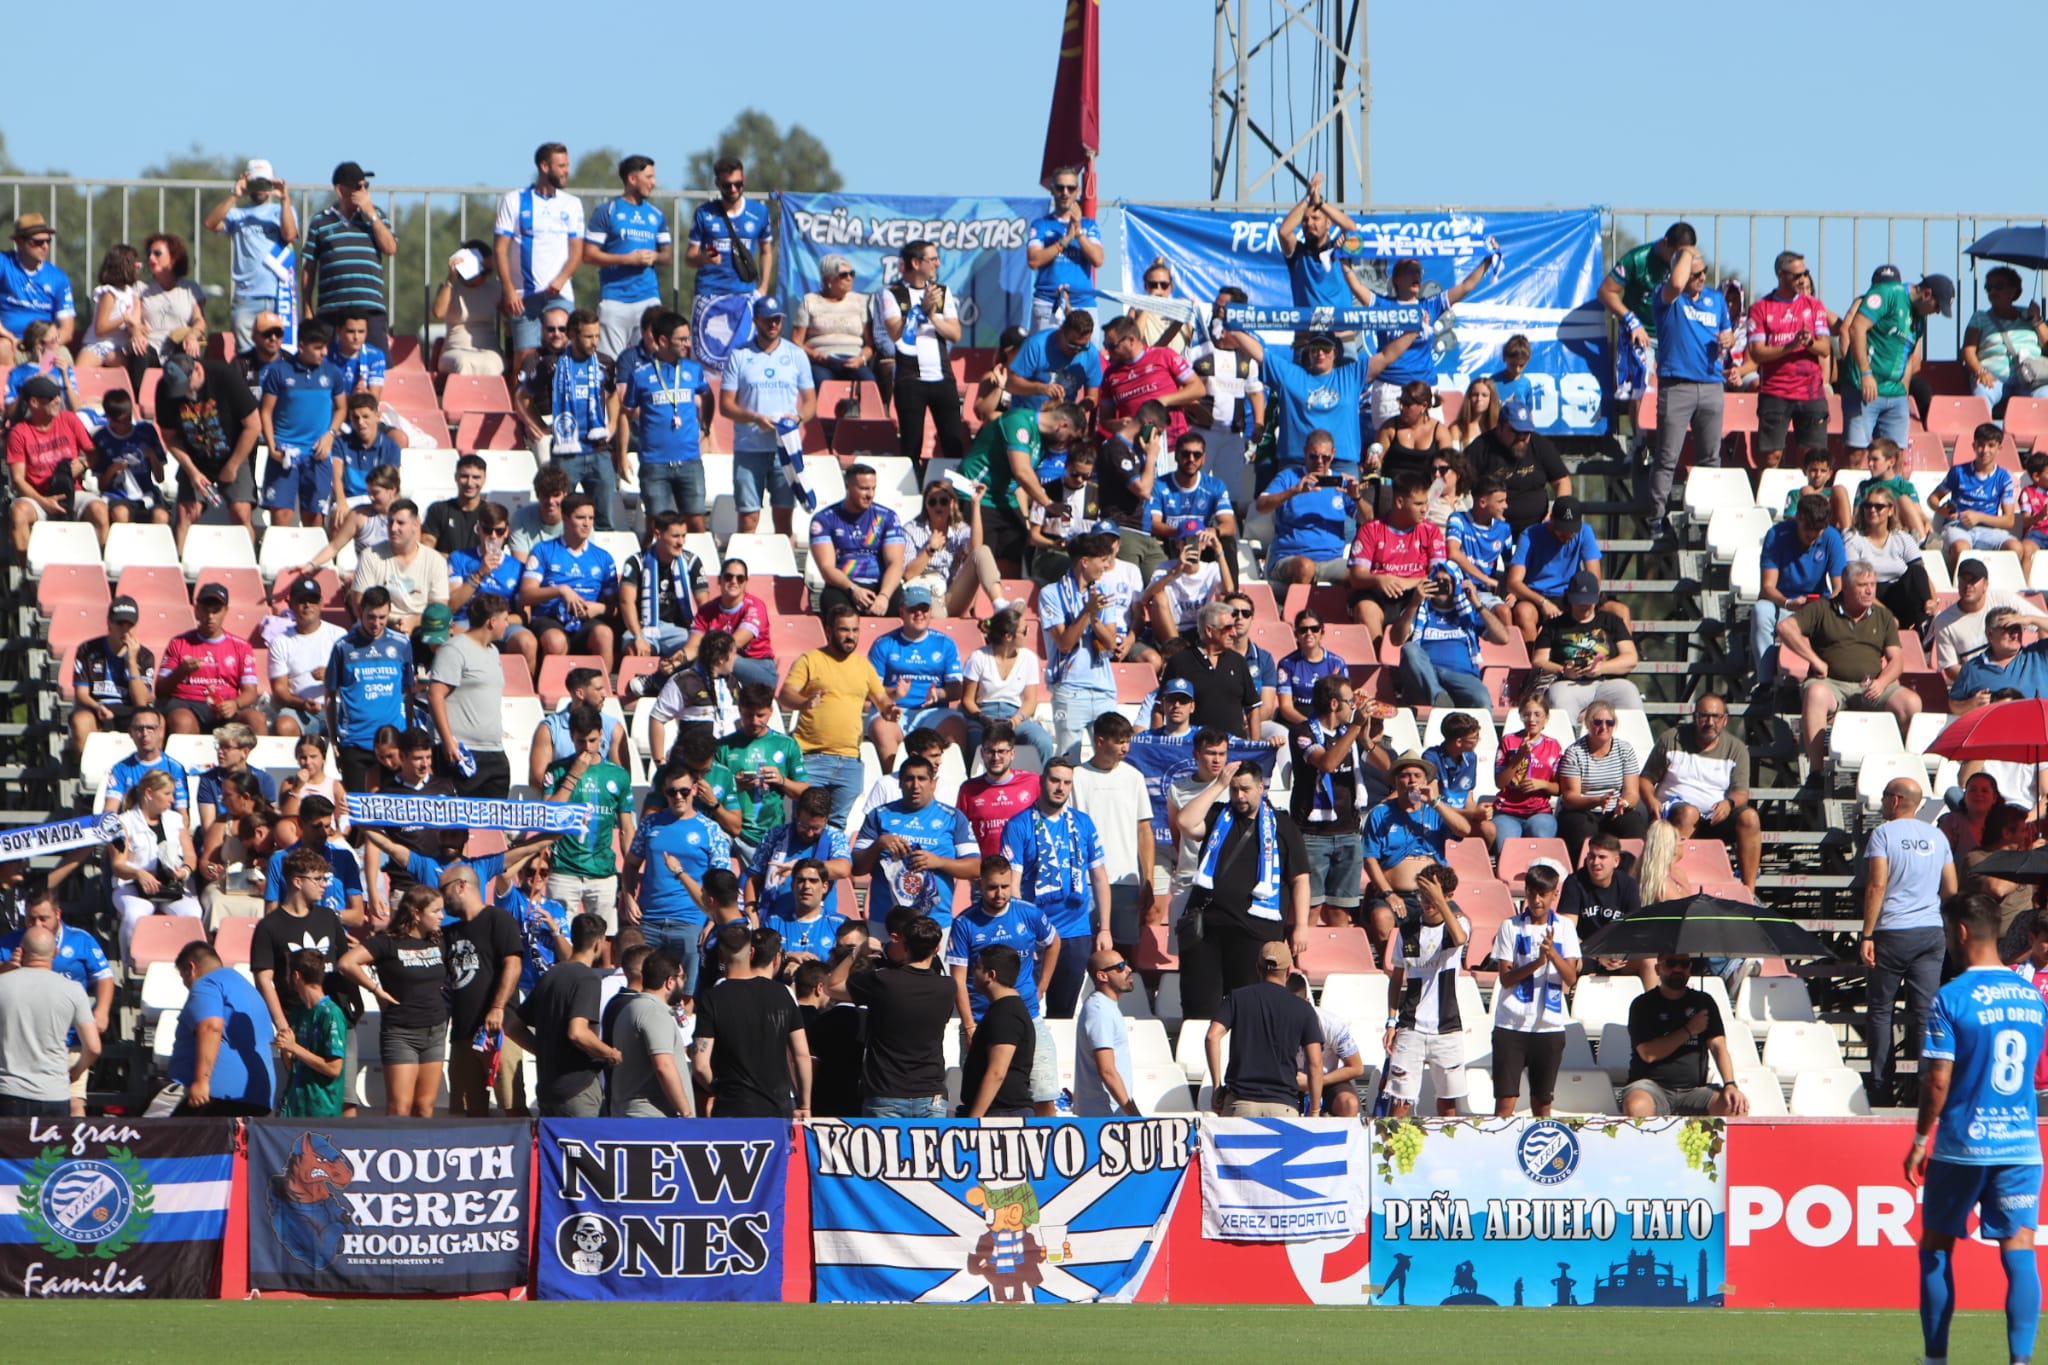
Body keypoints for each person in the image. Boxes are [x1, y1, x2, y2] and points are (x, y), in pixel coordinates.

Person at [1910, 894, 2048, 1365]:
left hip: (1962, 1146)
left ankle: (1936, 1358)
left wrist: (1921, 1138)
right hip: (2021, 1145)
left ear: (1962, 932)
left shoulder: (1951, 996)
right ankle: (2022, 1360)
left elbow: (1938, 1079)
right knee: (2020, 1252)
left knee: (1936, 1248)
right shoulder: (2032, 997)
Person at [1176, 761, 1312, 1019]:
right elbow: (1185, 822)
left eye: (1246, 789)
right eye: (1234, 789)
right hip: (1208, 930)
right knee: (1200, 1006)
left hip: (1256, 931)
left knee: (1249, 1007)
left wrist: (1301, 926)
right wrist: (1218, 785)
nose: (1239, 796)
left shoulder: (1283, 825)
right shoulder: (1218, 815)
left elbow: (1300, 879)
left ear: (1261, 788)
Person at [1862, 776, 1960, 1104]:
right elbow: (1950, 890)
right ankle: (1925, 1088)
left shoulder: (1883, 834)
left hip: (1891, 930)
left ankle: (1880, 1087)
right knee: (1924, 1011)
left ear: (1894, 801)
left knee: (1880, 1009)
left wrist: (1867, 933)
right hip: (1930, 932)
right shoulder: (1937, 836)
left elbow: (1876, 885)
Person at [1777, 562, 1922, 775]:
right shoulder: (1822, 609)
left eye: (1872, 584)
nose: (1870, 590)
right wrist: (1814, 660)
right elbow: (1784, 627)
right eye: (1862, 584)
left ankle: (1900, 769)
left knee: (1911, 702)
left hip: (1873, 685)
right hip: (1832, 684)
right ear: (1845, 586)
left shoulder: (1884, 617)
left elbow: (1897, 660)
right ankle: (1816, 771)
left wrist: (1882, 683)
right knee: (1815, 693)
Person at [945, 856, 1059, 1115]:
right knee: (979, 1093)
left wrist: (1042, 986)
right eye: (992, 887)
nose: (999, 894)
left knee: (1043, 1094)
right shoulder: (965, 923)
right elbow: (958, 980)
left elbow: (1053, 943)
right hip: (981, 1021)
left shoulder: (1028, 913)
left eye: (1005, 887)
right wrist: (970, 1025)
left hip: (1028, 1015)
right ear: (980, 883)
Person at [998, 760, 1108, 1017]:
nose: (1060, 788)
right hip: (1037, 932)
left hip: (1076, 931)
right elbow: (1013, 884)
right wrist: (1025, 930)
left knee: (1064, 1011)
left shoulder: (1083, 823)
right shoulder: (1019, 824)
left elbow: (1100, 877)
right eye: (1054, 780)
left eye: (1066, 782)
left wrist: (1105, 928)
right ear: (1041, 781)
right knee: (1028, 1006)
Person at [1638, 243, 1732, 535]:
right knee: (1667, 457)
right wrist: (1686, 252)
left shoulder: (1716, 300)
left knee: (1710, 459)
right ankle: (1656, 516)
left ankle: (1709, 518)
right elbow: (1676, 283)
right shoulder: (1668, 297)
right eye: (1695, 274)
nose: (1701, 278)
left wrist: (1728, 339)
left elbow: (1727, 330)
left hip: (1712, 385)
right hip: (1676, 384)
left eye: (1704, 272)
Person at [779, 604, 897, 831]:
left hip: (850, 762)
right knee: (804, 826)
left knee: (836, 828)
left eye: (855, 630)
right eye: (844, 630)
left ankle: (827, 866)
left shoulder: (863, 665)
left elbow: (881, 698)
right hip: (812, 759)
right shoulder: (810, 660)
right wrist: (804, 702)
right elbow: (786, 695)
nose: (850, 636)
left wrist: (889, 709)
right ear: (829, 630)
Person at [339, 884, 448, 1117]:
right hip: (401, 1032)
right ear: (417, 913)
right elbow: (347, 963)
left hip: (436, 1029)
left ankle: (421, 1151)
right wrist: (376, 990)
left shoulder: (438, 940)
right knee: (400, 1108)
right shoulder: (387, 942)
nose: (442, 916)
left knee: (425, 1106)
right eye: (436, 911)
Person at [1487, 863, 1581, 1117]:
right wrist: (1538, 962)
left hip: (1548, 1025)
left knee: (1542, 1102)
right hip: (1511, 1024)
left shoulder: (1565, 928)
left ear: (1554, 894)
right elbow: (1506, 979)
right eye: (1532, 893)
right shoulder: (1510, 926)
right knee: (1506, 1101)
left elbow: (1571, 978)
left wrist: (1553, 956)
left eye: (1543, 894)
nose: (1537, 900)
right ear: (1525, 893)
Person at [498, 911, 614, 1118]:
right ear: (598, 943)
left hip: (548, 1089)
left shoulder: (551, 974)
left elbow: (513, 1027)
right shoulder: (587, 979)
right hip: (577, 1089)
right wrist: (610, 1053)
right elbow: (578, 1033)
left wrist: (543, 1051)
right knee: (583, 1148)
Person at [692, 925, 810, 1119]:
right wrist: (804, 1104)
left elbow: (700, 1065)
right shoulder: (782, 994)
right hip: (777, 1109)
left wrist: (721, 1090)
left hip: (731, 1109)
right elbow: (801, 1055)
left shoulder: (713, 998)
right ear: (752, 952)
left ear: (721, 956)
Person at [852, 754, 979, 933]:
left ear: (933, 783)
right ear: (900, 783)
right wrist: (879, 844)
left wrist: (939, 862)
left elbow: (975, 867)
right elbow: (857, 868)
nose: (915, 785)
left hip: (934, 922)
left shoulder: (953, 818)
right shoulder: (878, 815)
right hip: (885, 921)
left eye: (922, 779)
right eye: (909, 779)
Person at [1643, 695, 1760, 889]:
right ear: (1694, 716)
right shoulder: (1672, 739)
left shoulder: (1736, 749)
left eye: (1715, 717)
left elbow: (1741, 793)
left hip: (1715, 816)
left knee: (1750, 817)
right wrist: (1651, 802)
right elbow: (1646, 779)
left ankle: (1749, 891)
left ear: (1725, 719)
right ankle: (1673, 885)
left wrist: (1729, 803)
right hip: (1675, 813)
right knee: (1689, 813)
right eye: (1704, 716)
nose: (1710, 722)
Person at [1379, 868, 1470, 1118]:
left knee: (1447, 1103)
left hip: (1447, 1027)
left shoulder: (1458, 924)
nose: (1427, 903)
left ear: (1448, 895)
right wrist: (1391, 1021)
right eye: (1423, 895)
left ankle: (1447, 1153)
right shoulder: (1408, 929)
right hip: (1411, 1026)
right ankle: (1392, 1154)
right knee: (1400, 1101)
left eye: (1432, 896)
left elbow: (1460, 939)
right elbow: (1397, 978)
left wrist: (1441, 899)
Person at [720, 297, 813, 538]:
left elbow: (811, 402)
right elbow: (726, 406)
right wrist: (754, 418)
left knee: (783, 519)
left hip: (785, 447)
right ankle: (745, 572)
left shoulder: (796, 355)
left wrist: (798, 418)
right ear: (756, 321)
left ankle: (784, 573)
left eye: (777, 320)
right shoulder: (739, 356)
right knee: (748, 519)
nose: (773, 325)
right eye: (767, 320)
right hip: (749, 447)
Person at [1069, 712, 1160, 959]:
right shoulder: (1076, 777)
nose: (1125, 747)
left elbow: (1144, 831)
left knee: (1122, 957)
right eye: (1119, 741)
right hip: (1085, 881)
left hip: (1125, 881)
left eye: (1127, 740)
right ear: (1100, 741)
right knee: (1081, 952)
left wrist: (1148, 879)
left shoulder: (1134, 777)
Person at [541, 704, 637, 936]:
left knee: (605, 937)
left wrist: (630, 877)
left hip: (603, 871)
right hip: (564, 870)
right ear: (572, 737)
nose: (587, 747)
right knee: (558, 935)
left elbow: (626, 828)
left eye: (593, 740)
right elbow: (548, 816)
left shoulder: (618, 775)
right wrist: (574, 773)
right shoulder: (557, 770)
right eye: (581, 741)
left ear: (601, 734)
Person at [1619, 953, 1750, 1117]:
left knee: (1735, 1107)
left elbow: (1718, 1046)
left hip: (1694, 1090)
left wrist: (1730, 1084)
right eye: (1671, 963)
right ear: (1658, 969)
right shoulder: (1643, 1004)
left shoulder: (1704, 1002)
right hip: (1651, 1087)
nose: (1678, 969)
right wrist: (1689, 1030)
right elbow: (1649, 1054)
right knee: (1637, 1106)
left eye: (1684, 963)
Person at [494, 142, 586, 372]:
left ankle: (561, 404)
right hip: (524, 295)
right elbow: (499, 248)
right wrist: (508, 289)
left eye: (567, 165)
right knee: (525, 357)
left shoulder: (572, 204)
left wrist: (562, 279)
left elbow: (577, 251)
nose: (567, 171)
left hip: (559, 293)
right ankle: (518, 407)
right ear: (544, 167)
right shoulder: (514, 200)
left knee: (566, 351)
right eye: (561, 165)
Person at [1206, 940, 1323, 1118]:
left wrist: (1216, 1087)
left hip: (1240, 1103)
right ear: (1289, 971)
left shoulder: (1237, 998)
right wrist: (1314, 1110)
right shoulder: (1303, 1008)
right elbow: (1315, 1064)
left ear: (1257, 968)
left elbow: (1211, 1037)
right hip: (1283, 1106)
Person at [1289, 673, 1370, 928]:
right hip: (1312, 834)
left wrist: (1365, 737)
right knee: (1309, 910)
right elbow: (1328, 763)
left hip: (1348, 831)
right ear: (1334, 704)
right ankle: (1302, 963)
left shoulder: (1350, 734)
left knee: (1341, 912)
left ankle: (1336, 960)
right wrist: (1356, 727)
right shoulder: (1303, 732)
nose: (1353, 707)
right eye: (1350, 701)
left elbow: (1388, 768)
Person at [685, 156, 777, 374]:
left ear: (744, 179)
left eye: (738, 184)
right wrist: (704, 259)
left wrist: (763, 287)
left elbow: (766, 250)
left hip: (744, 297)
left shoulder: (759, 212)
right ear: (717, 183)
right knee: (709, 365)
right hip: (710, 295)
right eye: (727, 185)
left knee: (745, 364)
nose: (734, 189)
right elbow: (689, 257)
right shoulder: (704, 213)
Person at [0, 926, 100, 1118]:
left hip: (8, 1092)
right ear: (55, 952)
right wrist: (76, 1072)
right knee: (50, 1149)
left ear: (20, 951)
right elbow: (94, 1047)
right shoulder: (73, 990)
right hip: (55, 1094)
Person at [169, 940, 276, 1116]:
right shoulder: (248, 990)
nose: (186, 985)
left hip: (214, 1098)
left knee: (150, 1136)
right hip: (257, 1098)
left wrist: (201, 1081)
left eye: (184, 977)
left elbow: (211, 1026)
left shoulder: (206, 983)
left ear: (191, 968)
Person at [581, 153, 670, 361]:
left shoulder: (656, 214)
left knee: (652, 360)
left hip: (648, 298)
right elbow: (588, 254)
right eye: (649, 177)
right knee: (609, 363)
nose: (654, 183)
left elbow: (667, 256)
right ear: (632, 179)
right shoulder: (607, 211)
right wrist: (627, 259)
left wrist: (655, 256)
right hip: (614, 299)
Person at [256, 319, 344, 527]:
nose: (324, 353)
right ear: (302, 346)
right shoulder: (279, 372)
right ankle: (280, 559)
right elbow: (266, 412)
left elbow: (341, 408)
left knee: (314, 517)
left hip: (317, 454)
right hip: (286, 452)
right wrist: (272, 447)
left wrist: (330, 435)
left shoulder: (332, 373)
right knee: (281, 516)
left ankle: (312, 560)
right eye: (318, 348)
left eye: (326, 347)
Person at [109, 770, 201, 966]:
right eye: (167, 794)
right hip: (133, 885)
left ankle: (185, 964)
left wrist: (183, 871)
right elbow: (117, 864)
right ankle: (131, 964)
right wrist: (138, 873)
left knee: (192, 913)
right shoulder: (123, 822)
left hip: (170, 886)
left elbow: (190, 855)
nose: (172, 800)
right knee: (136, 915)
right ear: (149, 793)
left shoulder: (175, 820)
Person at [6, 374, 104, 556]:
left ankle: (92, 569)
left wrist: (83, 464)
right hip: (38, 496)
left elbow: (94, 453)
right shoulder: (19, 433)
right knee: (19, 512)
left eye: (58, 395)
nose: (58, 400)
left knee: (98, 509)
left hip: (72, 492)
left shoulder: (69, 419)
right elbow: (18, 480)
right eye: (51, 398)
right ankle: (28, 578)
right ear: (34, 403)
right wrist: (44, 502)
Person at [1391, 559, 1508, 709]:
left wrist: (1477, 603)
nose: (1441, 585)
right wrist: (1414, 603)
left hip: (1461, 677)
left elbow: (1503, 638)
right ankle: (1439, 697)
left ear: (1455, 585)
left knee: (1482, 698)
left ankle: (1444, 702)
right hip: (1426, 676)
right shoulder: (1420, 610)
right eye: (1437, 581)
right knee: (1409, 649)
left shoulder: (1467, 612)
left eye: (1446, 582)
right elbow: (1396, 640)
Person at [1257, 432, 1362, 588]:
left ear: (1333, 454)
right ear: (1305, 452)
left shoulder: (1341, 483)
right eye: (1313, 457)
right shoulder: (1289, 477)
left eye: (1325, 457)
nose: (1319, 462)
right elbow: (1261, 505)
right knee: (1305, 567)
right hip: (1290, 558)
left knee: (1363, 575)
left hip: (1331, 559)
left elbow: (1368, 519)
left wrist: (1357, 498)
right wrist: (1294, 491)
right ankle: (1299, 612)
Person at [1555, 701, 1651, 864]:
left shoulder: (1625, 750)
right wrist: (1596, 801)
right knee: (1581, 827)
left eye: (1609, 722)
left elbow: (1632, 792)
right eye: (1597, 722)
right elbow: (1570, 798)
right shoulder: (1574, 752)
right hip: (1582, 809)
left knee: (1634, 824)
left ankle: (1631, 874)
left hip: (1615, 810)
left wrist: (1625, 803)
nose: (1604, 727)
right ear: (1588, 724)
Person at [1933, 422, 2029, 572]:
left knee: (2016, 548)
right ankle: (1954, 586)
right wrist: (1941, 510)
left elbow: (2009, 520)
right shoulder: (1958, 472)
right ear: (1973, 446)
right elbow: (1933, 499)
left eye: (1991, 445)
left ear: (1999, 448)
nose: (1985, 450)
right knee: (1961, 548)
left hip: (1988, 529)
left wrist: (1979, 517)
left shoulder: (2004, 478)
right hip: (1958, 527)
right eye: (1980, 445)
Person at [1161, 601, 1260, 739]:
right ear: (1209, 630)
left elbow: (1252, 708)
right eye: (1228, 628)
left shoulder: (1238, 662)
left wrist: (1254, 747)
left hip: (1234, 750)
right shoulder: (1179, 662)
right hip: (1193, 750)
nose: (1234, 633)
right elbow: (1159, 707)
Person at [792, 252, 881, 407]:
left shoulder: (860, 301)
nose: (849, 278)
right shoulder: (810, 301)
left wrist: (861, 359)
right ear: (828, 279)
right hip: (821, 360)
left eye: (851, 274)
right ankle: (824, 426)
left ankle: (867, 425)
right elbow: (796, 340)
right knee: (822, 381)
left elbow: (870, 343)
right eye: (843, 275)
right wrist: (816, 356)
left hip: (853, 358)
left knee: (869, 382)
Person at [68, 595, 154, 754]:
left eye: (130, 625)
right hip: (96, 706)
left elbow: (141, 702)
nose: (125, 630)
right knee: (81, 721)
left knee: (156, 722)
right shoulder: (87, 649)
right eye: (120, 624)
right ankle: (89, 773)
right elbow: (81, 693)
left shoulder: (145, 656)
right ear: (109, 623)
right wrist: (97, 706)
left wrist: (132, 663)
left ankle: (147, 772)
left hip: (129, 709)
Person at [1845, 482, 1934, 633]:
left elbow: (1922, 576)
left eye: (1879, 507)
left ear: (1891, 510)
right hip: (1868, 599)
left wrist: (1932, 600)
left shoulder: (1902, 538)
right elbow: (1853, 583)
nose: (1872, 510)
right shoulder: (1853, 539)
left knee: (1916, 571)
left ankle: (1924, 627)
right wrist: (1886, 615)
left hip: (1899, 597)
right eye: (1868, 506)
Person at [270, 949, 346, 1118]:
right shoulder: (299, 1012)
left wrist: (294, 1048)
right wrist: (285, 1048)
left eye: (289, 973)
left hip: (321, 1111)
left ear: (296, 976)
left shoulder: (331, 1013)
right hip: (294, 1106)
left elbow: (334, 1068)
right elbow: (293, 1067)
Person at [1026, 168, 1104, 330]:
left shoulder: (1089, 225)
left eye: (1070, 188)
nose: (1065, 193)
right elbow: (1034, 260)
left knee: (1086, 355)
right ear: (1052, 190)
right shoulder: (1041, 224)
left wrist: (1078, 232)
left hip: (1083, 304)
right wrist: (1066, 240)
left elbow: (1098, 259)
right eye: (1060, 188)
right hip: (1048, 303)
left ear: (1078, 191)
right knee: (1044, 355)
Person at [1963, 265, 2048, 410]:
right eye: (1988, 287)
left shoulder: (2029, 316)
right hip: (1993, 378)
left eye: (1998, 286)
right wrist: (1980, 371)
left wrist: (2038, 321)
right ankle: (1983, 432)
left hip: (2031, 378)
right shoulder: (1980, 317)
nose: (1992, 291)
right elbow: (1968, 351)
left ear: (2013, 290)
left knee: (2045, 396)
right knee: (1982, 396)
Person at [0, 213, 75, 369]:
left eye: (48, 241)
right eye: (37, 242)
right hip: (12, 343)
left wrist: (47, 342)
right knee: (3, 348)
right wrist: (5, 334)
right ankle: (9, 391)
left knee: (64, 358)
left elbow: (67, 330)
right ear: (20, 242)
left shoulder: (58, 277)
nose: (45, 246)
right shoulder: (4, 263)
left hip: (47, 343)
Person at [1074, 950, 1143, 1117]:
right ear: (1102, 976)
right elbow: (1107, 1070)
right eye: (1120, 967)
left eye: (1125, 963)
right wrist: (1135, 1117)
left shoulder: (1105, 1006)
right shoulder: (1099, 1011)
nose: (1128, 969)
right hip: (1104, 1117)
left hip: (1109, 1114)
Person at [432, 240, 506, 376]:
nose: (486, 276)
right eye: (483, 271)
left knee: (491, 364)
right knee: (463, 363)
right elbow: (438, 313)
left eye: (490, 271)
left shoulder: (494, 289)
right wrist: (450, 279)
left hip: (488, 350)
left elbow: (510, 314)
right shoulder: (450, 289)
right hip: (455, 350)